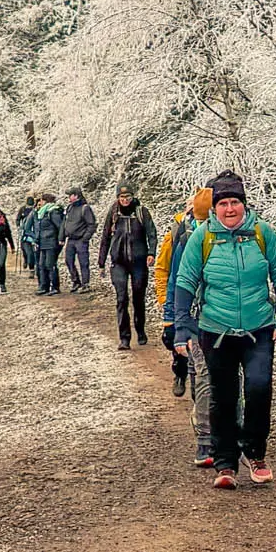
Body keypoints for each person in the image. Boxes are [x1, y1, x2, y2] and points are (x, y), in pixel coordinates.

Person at [172, 170, 276, 490]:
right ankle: (225, 463)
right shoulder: (203, 237)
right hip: (216, 330)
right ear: (213, 209)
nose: (229, 209)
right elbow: (185, 281)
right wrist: (182, 326)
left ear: (244, 205)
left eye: (235, 203)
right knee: (223, 396)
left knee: (259, 387)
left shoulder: (263, 233)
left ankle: (255, 453)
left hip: (259, 328)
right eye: (223, 203)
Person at [157, 187, 215, 466]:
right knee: (202, 374)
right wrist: (172, 318)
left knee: (207, 375)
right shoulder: (184, 235)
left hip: (219, 317)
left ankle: (216, 432)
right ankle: (206, 438)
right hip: (194, 318)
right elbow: (173, 278)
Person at [97, 187, 158, 350]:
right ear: (118, 197)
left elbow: (152, 234)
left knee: (138, 297)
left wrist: (151, 253)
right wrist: (101, 262)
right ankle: (124, 338)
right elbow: (105, 236)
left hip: (139, 262)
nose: (125, 200)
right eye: (122, 196)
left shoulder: (141, 212)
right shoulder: (114, 213)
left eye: (128, 196)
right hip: (119, 262)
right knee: (121, 298)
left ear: (133, 196)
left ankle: (140, 329)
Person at [61, 189, 97, 291]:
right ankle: (76, 281)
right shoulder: (69, 208)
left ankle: (85, 284)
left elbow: (92, 224)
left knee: (83, 262)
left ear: (76, 196)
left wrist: (86, 237)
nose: (68, 198)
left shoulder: (85, 208)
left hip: (81, 240)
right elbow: (65, 223)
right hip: (71, 239)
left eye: (70, 195)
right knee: (68, 261)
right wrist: (62, 237)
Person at [33, 192, 66, 296]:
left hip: (51, 242)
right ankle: (44, 286)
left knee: (50, 264)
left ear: (45, 201)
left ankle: (55, 286)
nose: (40, 202)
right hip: (43, 242)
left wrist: (60, 239)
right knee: (42, 265)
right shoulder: (43, 212)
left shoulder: (53, 212)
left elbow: (60, 227)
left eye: (41, 200)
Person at [18, 197, 40, 277]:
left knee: (34, 254)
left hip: (34, 235)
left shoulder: (37, 212)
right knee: (27, 252)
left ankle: (34, 269)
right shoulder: (22, 209)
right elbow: (18, 218)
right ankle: (28, 263)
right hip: (26, 235)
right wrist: (18, 226)